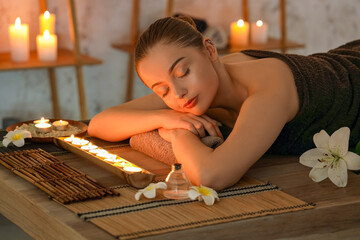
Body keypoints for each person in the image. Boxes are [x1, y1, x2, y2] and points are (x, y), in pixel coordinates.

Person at [88, 16, 360, 190]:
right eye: (162, 91)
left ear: (209, 50)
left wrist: (176, 133)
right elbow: (100, 124)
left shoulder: (269, 86)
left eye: (183, 72)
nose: (178, 94)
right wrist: (164, 117)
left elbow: (211, 176)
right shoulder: (193, 92)